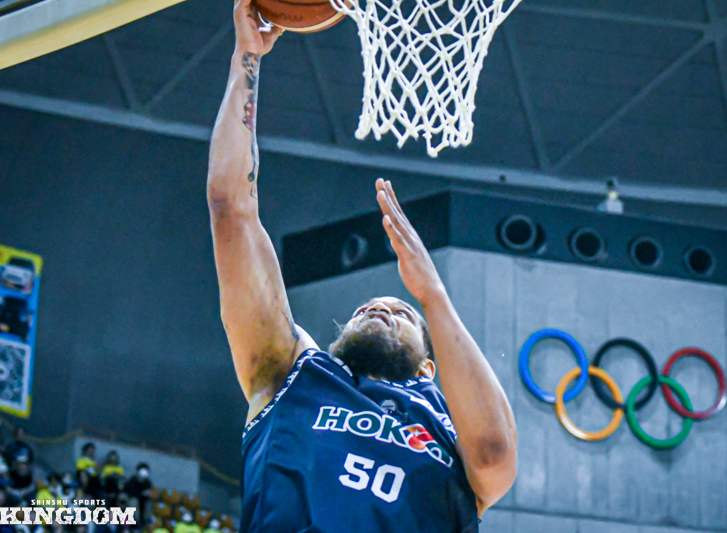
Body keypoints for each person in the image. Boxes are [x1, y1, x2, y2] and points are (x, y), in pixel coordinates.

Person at [206, 1, 517, 531]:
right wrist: (246, 59)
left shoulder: (449, 429)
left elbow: (494, 457)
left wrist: (432, 296)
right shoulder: (290, 373)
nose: (380, 306)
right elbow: (231, 210)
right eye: (368, 308)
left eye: (401, 313)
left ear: (428, 368)